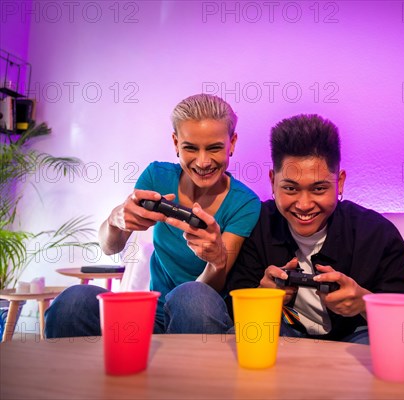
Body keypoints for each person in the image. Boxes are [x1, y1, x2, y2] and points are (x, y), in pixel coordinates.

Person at [45, 94, 261, 336]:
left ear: (231, 143)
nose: (203, 162)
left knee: (192, 296)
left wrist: (217, 261)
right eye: (190, 148)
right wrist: (116, 221)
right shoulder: (157, 176)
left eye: (214, 148)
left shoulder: (245, 203)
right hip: (150, 315)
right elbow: (110, 247)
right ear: (175, 143)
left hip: (200, 313)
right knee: (74, 300)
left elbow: (213, 286)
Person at [193, 114, 404, 342]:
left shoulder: (376, 233)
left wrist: (363, 302)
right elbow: (231, 312)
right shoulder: (256, 224)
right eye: (290, 189)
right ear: (272, 181)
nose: (304, 205)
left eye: (319, 189)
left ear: (339, 182)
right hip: (281, 339)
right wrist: (260, 299)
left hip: (356, 344)